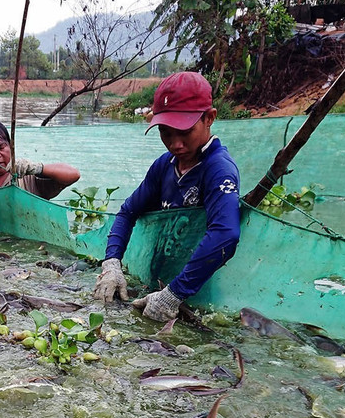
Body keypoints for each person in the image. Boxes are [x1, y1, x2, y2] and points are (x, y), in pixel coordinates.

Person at [92, 71, 241, 322]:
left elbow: (225, 234)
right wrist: (112, 264)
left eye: (185, 132)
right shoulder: (164, 166)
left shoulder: (218, 169)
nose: (175, 144)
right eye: (166, 132)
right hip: (161, 282)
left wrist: (173, 295)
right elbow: (128, 212)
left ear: (209, 118)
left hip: (200, 290)